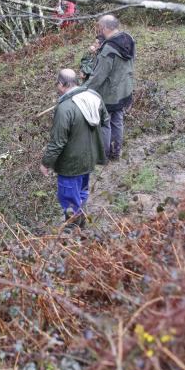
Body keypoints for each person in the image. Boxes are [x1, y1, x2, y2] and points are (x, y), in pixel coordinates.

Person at [41, 69, 109, 227]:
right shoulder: (94, 96)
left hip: (70, 165)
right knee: (82, 191)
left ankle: (72, 231)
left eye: (57, 84)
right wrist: (102, 150)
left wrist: (46, 163)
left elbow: (57, 142)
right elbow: (106, 121)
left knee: (68, 198)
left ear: (62, 84)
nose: (57, 87)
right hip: (90, 159)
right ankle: (81, 222)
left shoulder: (65, 108)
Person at [83, 15, 135, 161]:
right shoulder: (128, 39)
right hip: (124, 89)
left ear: (105, 28)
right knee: (117, 120)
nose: (98, 30)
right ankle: (116, 152)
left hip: (109, 94)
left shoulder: (108, 49)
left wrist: (83, 90)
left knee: (105, 124)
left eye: (100, 27)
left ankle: (104, 155)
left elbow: (98, 77)